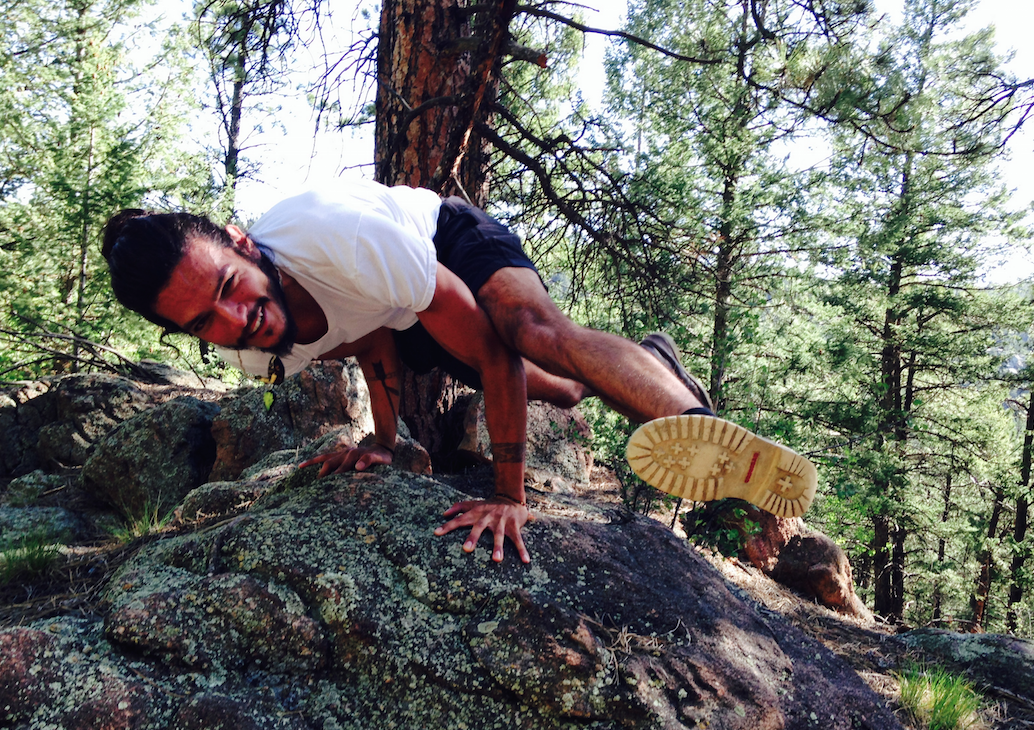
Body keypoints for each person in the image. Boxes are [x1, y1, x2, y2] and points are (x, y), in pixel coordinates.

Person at [101, 180, 816, 564]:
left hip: (442, 236)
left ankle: (694, 424)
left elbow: (491, 355)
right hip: (402, 308)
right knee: (565, 388)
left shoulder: (339, 240)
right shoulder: (247, 348)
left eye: (229, 288)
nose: (234, 322)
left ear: (241, 243)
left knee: (528, 331)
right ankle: (655, 361)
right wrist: (384, 439)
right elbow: (368, 334)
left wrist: (511, 494)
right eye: (202, 323)